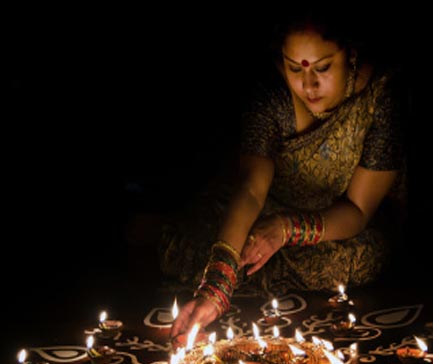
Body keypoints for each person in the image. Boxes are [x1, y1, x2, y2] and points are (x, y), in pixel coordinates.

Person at [162, 10, 407, 338]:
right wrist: (216, 288)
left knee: (368, 256)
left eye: (322, 68)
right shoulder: (271, 95)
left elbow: (358, 211)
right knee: (185, 245)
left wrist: (287, 229)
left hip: (331, 226)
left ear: (350, 53)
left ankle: (244, 271)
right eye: (295, 68)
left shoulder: (380, 96)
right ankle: (236, 270)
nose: (308, 84)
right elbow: (250, 191)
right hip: (261, 216)